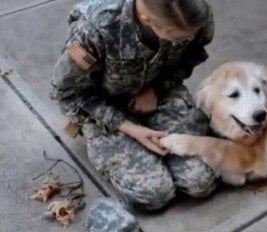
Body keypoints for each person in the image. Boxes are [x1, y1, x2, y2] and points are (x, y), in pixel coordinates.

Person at [50, 0, 216, 211]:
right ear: (147, 19)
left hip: (159, 91)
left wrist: (155, 89)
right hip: (104, 109)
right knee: (155, 194)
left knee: (200, 182)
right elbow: (66, 93)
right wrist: (130, 128)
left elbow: (193, 55)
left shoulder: (192, 14)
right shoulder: (94, 31)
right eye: (179, 37)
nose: (190, 38)